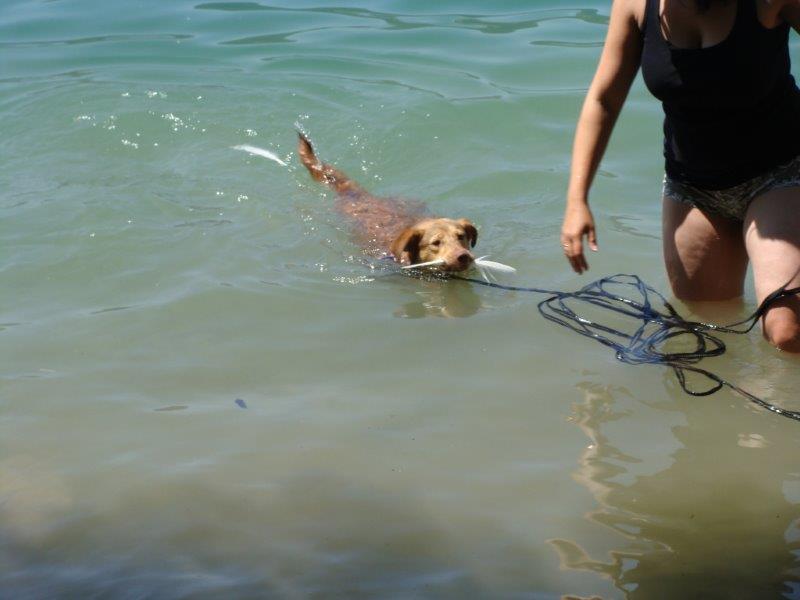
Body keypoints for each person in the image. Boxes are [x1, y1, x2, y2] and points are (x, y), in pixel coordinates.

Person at [561, 0, 800, 350]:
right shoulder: (635, 6)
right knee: (706, 328)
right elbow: (604, 100)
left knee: (787, 330)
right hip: (692, 188)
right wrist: (576, 199)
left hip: (780, 173)